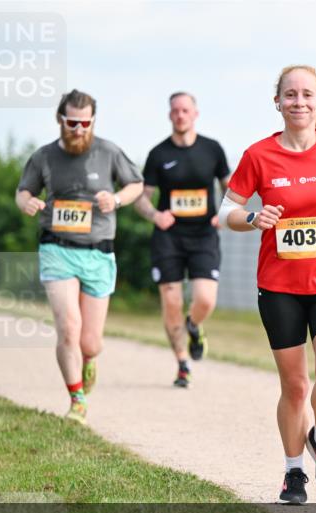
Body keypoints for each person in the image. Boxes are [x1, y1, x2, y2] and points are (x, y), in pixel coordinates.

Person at [220, 65, 316, 504]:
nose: (299, 102)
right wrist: (253, 217)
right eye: (290, 95)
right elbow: (225, 212)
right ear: (278, 103)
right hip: (279, 287)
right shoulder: (258, 155)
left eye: (307, 94)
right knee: (294, 387)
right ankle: (293, 473)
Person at [16, 89, 144, 424]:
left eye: (85, 123)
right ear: (60, 119)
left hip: (99, 253)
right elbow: (23, 191)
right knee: (68, 328)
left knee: (91, 342)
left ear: (93, 121)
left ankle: (88, 360)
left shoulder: (108, 151)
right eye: (72, 122)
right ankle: (77, 400)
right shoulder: (44, 156)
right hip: (57, 248)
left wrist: (116, 200)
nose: (78, 129)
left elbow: (135, 185)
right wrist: (27, 202)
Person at [135, 92, 230, 387]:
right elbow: (142, 197)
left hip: (204, 236)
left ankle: (194, 325)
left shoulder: (212, 149)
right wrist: (155, 215)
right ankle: (182, 364)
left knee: (205, 299)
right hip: (169, 238)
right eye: (175, 111)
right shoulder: (158, 154)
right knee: (172, 301)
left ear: (195, 114)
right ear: (169, 115)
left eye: (185, 110)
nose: (180, 115)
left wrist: (225, 213)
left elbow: (231, 187)